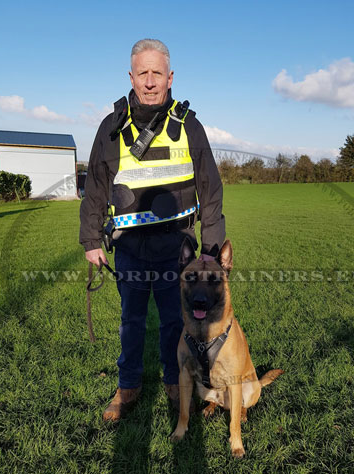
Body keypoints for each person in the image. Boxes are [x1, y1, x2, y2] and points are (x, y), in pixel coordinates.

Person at [80, 38, 225, 421]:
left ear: (170, 77)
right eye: (142, 73)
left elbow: (211, 191)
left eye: (156, 73)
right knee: (132, 322)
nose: (149, 81)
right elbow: (95, 185)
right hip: (128, 250)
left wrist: (209, 250)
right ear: (131, 75)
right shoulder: (111, 127)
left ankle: (175, 383)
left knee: (176, 323)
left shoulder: (190, 126)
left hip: (177, 250)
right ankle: (128, 386)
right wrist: (90, 240)